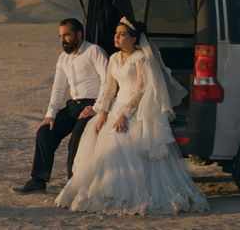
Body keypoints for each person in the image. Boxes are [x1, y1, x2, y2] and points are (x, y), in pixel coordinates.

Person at [55, 16, 210, 215]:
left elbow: (140, 91)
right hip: (116, 106)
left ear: (134, 39)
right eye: (116, 34)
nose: (117, 37)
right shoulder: (112, 58)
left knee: (123, 138)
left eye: (122, 34)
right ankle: (105, 188)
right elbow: (110, 90)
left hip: (135, 110)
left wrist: (125, 115)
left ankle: (130, 192)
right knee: (98, 133)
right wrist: (103, 113)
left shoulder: (141, 59)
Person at [11, 18, 108, 194]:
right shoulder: (63, 58)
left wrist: (97, 106)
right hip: (74, 106)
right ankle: (38, 181)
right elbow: (58, 87)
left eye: (66, 35)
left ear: (79, 34)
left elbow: (107, 81)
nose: (62, 40)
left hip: (93, 105)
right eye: (60, 36)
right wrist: (50, 115)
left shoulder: (94, 51)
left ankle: (74, 185)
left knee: (76, 139)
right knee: (44, 132)